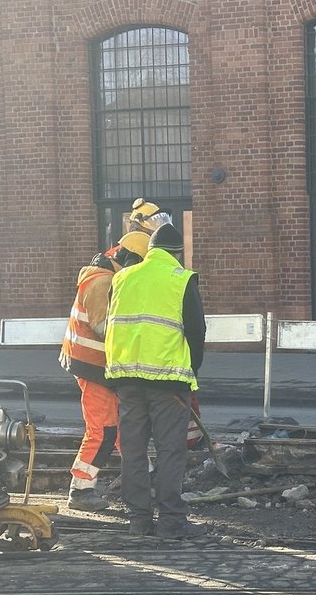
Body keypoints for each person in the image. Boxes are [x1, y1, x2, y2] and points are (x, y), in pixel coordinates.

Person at [105, 222, 208, 539]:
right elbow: (196, 331)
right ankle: (171, 522)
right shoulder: (181, 279)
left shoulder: (122, 278)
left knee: (133, 451)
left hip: (127, 381)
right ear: (178, 253)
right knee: (170, 452)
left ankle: (138, 519)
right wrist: (191, 370)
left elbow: (112, 325)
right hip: (167, 383)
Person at [59, 231, 149, 512]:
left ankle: (141, 478)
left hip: (99, 365)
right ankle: (81, 490)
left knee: (123, 427)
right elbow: (104, 329)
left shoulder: (108, 277)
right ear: (131, 259)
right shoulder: (101, 282)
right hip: (93, 366)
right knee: (103, 429)